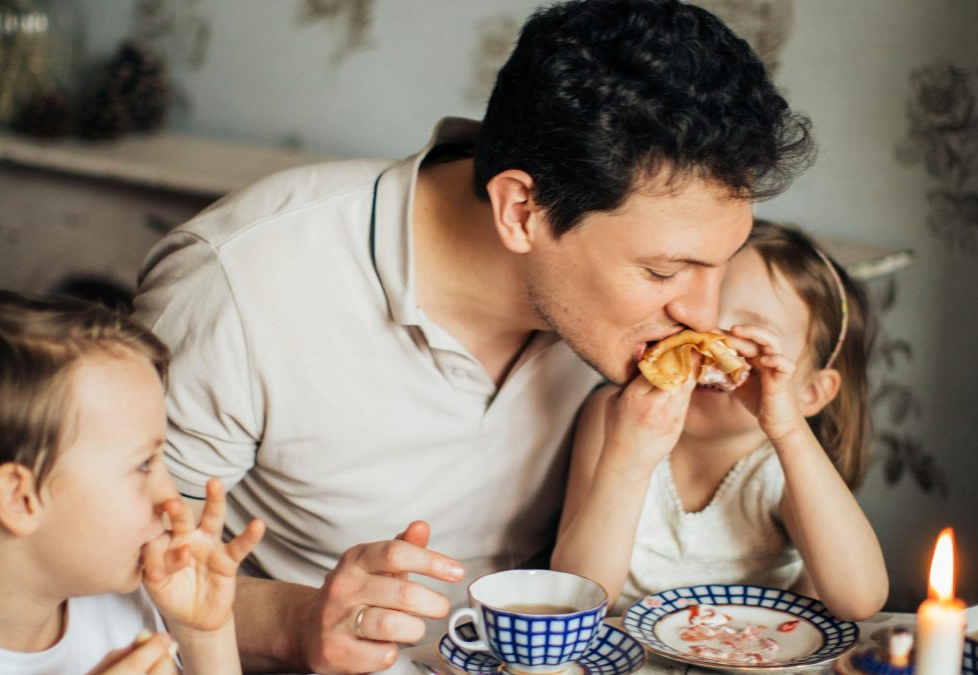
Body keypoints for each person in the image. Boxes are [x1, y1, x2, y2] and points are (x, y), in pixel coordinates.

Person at [133, 1, 814, 671]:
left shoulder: (628, 319)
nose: (702, 313)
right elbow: (119, 571)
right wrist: (298, 621)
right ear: (520, 210)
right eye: (663, 270)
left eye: (721, 265)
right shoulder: (239, 283)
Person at [0, 290, 265, 674]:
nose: (172, 499)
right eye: (143, 465)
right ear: (20, 498)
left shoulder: (118, 593)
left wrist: (204, 636)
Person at [551, 220, 889, 620]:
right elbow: (575, 599)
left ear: (810, 393)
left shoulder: (783, 468)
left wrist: (789, 430)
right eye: (698, 324)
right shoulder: (616, 416)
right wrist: (627, 461)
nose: (709, 347)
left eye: (749, 337)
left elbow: (860, 600)